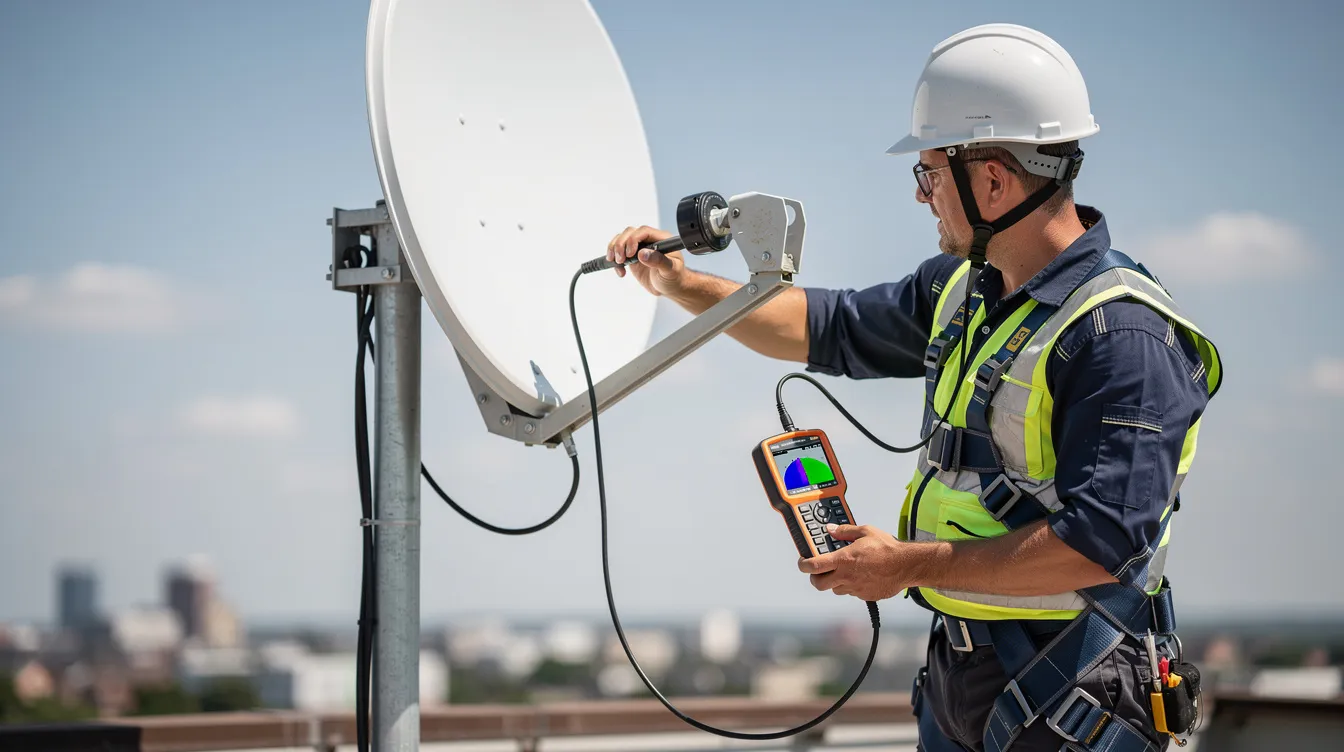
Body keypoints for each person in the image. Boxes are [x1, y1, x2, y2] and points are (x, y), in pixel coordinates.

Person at [606, 23, 1221, 752]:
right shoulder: (963, 288)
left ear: (992, 179)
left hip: (1074, 687)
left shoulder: (1122, 336)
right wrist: (683, 286)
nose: (924, 196)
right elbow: (823, 327)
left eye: (930, 174)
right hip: (965, 677)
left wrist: (907, 566)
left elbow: (1100, 547)